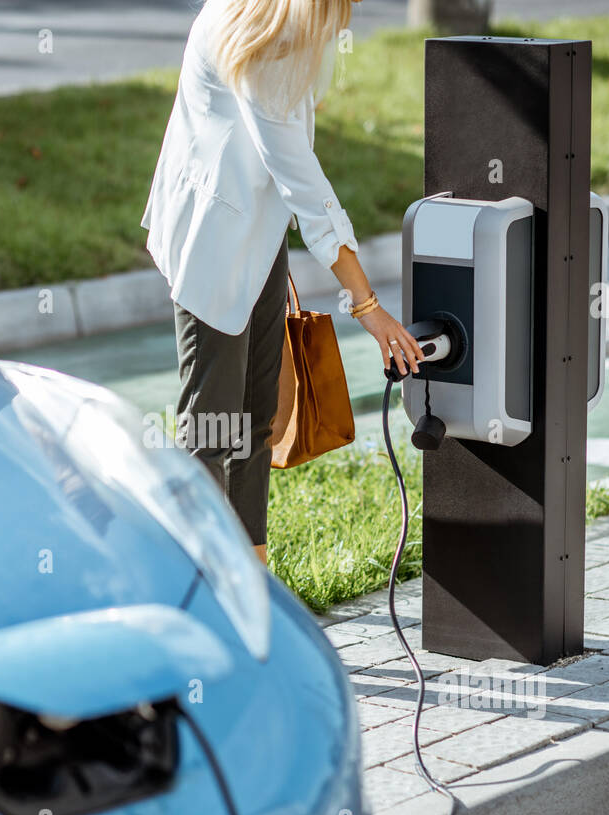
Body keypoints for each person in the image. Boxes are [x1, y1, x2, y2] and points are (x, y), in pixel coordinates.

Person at [142, 0, 423, 563]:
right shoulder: (257, 44)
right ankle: (198, 586)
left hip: (256, 234)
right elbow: (304, 183)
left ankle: (253, 570)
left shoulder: (281, 26)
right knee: (211, 427)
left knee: (255, 415)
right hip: (212, 243)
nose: (350, 14)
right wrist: (368, 307)